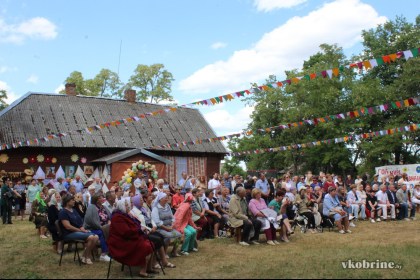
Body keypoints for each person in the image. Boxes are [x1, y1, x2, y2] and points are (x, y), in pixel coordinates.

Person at [108, 197, 154, 277]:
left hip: (130, 238)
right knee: (146, 246)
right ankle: (142, 271)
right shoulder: (117, 217)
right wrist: (139, 230)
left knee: (151, 243)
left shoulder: (124, 215)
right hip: (121, 242)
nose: (128, 206)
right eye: (126, 205)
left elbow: (133, 226)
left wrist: (140, 229)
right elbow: (125, 232)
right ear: (121, 206)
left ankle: (148, 268)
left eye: (127, 205)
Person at [151, 192, 182, 258]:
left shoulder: (167, 206)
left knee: (179, 235)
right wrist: (166, 228)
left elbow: (172, 216)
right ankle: (164, 253)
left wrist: (172, 224)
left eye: (167, 198)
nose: (167, 199)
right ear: (160, 199)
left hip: (169, 227)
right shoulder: (155, 208)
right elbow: (157, 222)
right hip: (160, 228)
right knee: (168, 237)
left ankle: (174, 251)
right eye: (165, 198)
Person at [83, 194, 111, 262]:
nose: (102, 199)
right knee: (102, 232)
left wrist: (109, 222)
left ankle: (112, 252)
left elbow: (110, 216)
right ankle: (103, 254)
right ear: (97, 200)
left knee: (113, 231)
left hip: (106, 226)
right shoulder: (91, 207)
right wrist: (102, 227)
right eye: (100, 198)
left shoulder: (104, 207)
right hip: (93, 228)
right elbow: (91, 221)